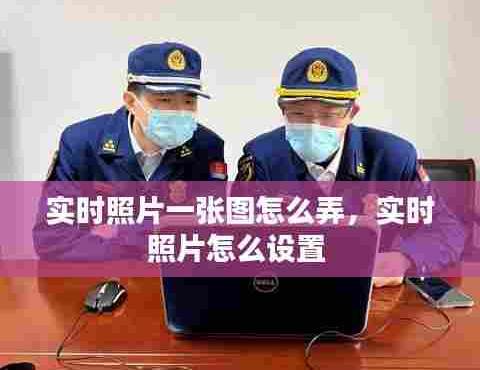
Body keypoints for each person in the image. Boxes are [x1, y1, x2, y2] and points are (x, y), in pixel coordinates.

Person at [234, 47, 465, 287]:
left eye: (328, 115)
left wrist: (404, 259)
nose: (314, 126)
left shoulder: (393, 157)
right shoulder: (261, 158)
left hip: (372, 295)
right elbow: (236, 238)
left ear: (352, 112)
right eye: (299, 113)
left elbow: (447, 230)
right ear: (282, 110)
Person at [34, 42, 227, 261]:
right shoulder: (81, 144)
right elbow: (52, 239)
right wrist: (132, 243)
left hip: (173, 276)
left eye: (189, 101)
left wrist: (116, 234)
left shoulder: (207, 147)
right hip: (99, 276)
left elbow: (211, 234)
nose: (180, 112)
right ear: (130, 102)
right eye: (165, 100)